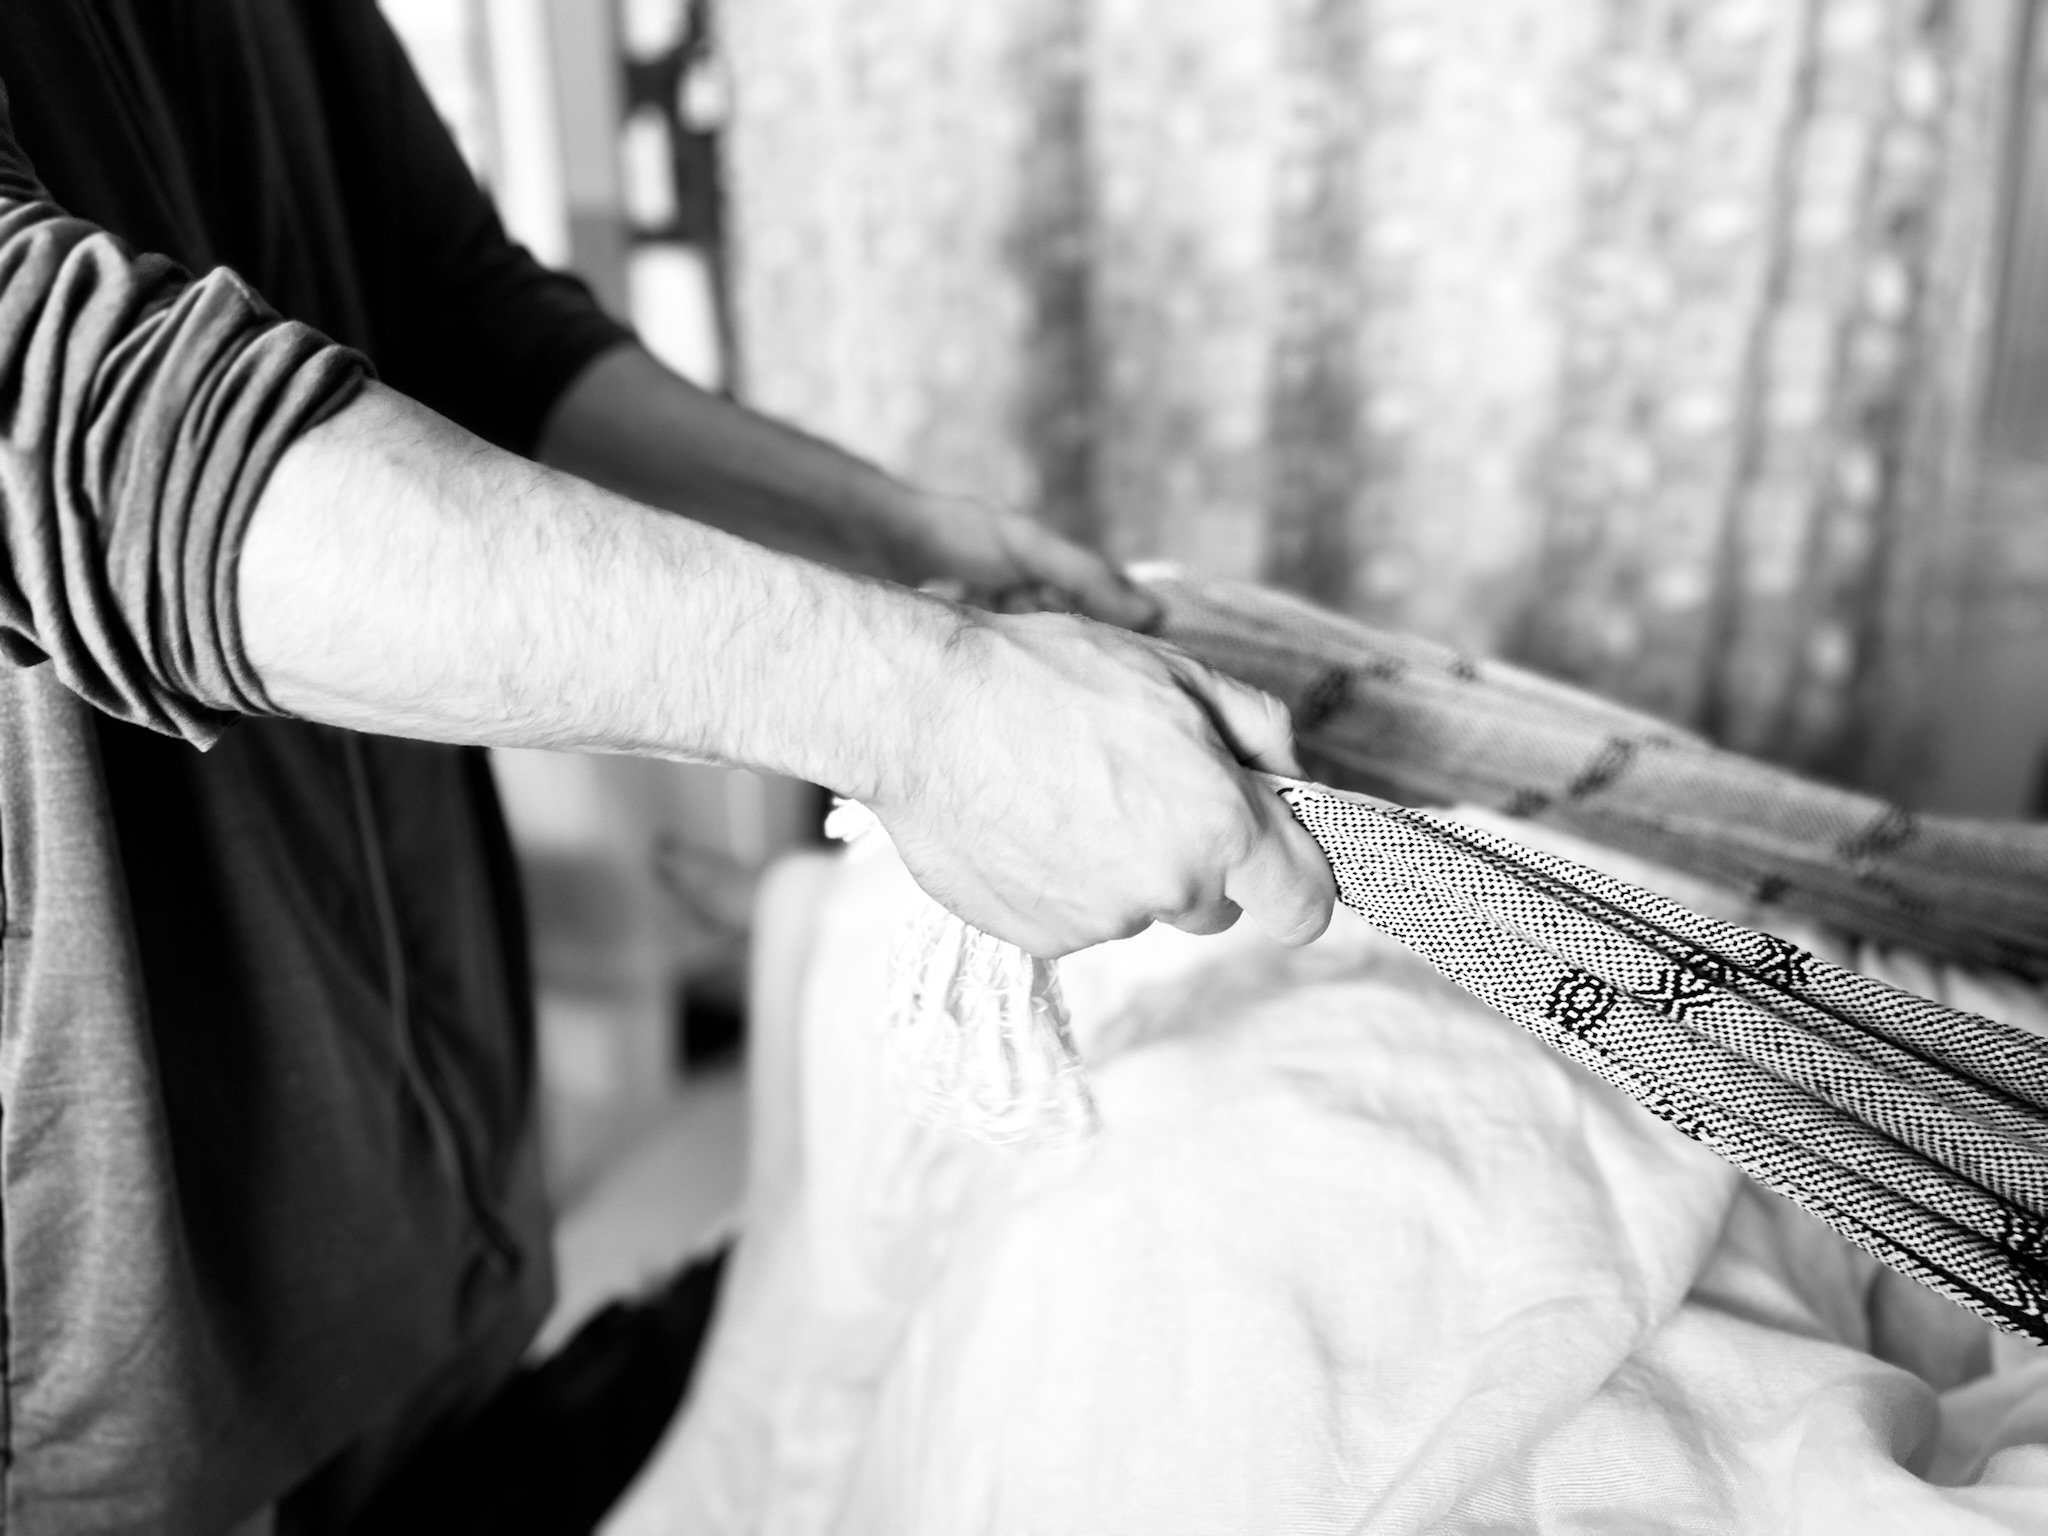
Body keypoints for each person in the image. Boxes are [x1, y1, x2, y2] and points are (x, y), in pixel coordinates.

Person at [0, 3, 1335, 1532]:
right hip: (102, 1309)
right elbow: (84, 436)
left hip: (412, 1155)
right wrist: (930, 705)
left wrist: (891, 535)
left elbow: (458, 320)